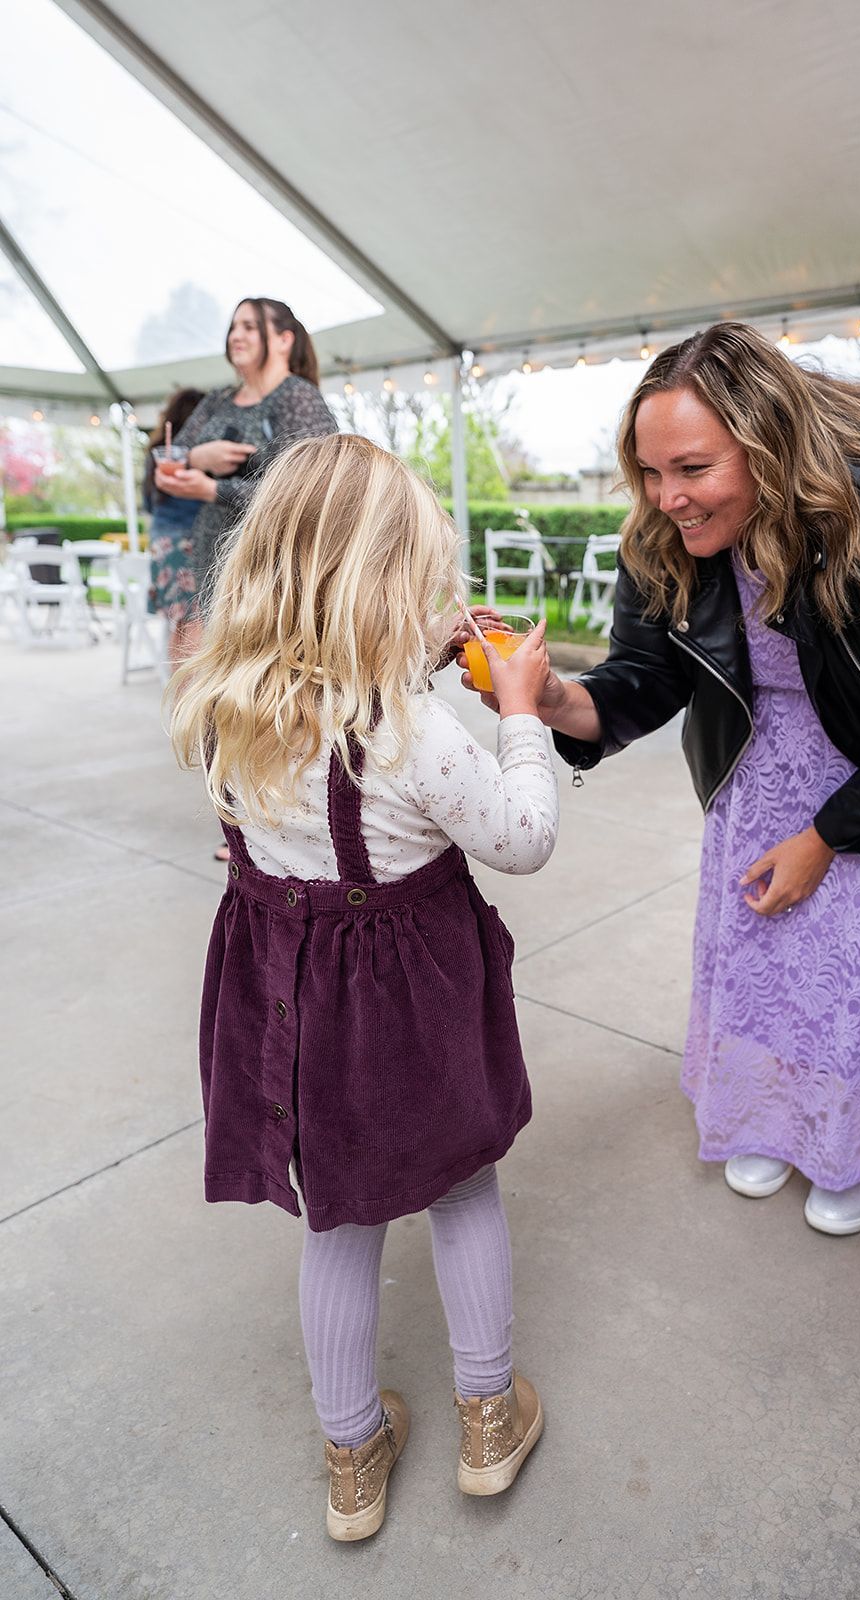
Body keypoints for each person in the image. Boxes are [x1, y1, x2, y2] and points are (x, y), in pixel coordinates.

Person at [469, 321, 860, 1237]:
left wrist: (827, 838)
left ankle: (855, 1140)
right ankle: (771, 1114)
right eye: (650, 472)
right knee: (766, 943)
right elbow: (648, 676)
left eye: (694, 470)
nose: (667, 497)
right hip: (779, 733)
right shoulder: (667, 530)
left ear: (768, 448)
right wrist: (550, 697)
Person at [168, 434, 557, 1542]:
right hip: (413, 1006)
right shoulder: (417, 731)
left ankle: (352, 1456)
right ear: (384, 584)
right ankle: (488, 1421)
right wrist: (519, 711)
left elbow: (327, 734)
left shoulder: (222, 705)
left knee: (336, 1219)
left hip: (295, 1007)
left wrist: (416, 657)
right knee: (462, 1189)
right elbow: (520, 836)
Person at [158, 296, 336, 858]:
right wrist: (197, 456)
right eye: (232, 325)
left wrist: (216, 486)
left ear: (283, 339)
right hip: (213, 557)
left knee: (267, 691)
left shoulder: (298, 399)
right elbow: (167, 460)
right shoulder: (215, 399)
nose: (236, 334)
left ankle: (278, 817)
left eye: (249, 326)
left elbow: (312, 483)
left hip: (274, 566)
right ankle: (236, 818)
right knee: (206, 691)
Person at [144, 386, 205, 669]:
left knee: (180, 624)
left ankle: (181, 702)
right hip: (187, 544)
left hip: (161, 545)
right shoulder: (195, 458)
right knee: (193, 623)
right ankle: (187, 702)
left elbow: (148, 503)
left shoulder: (155, 454)